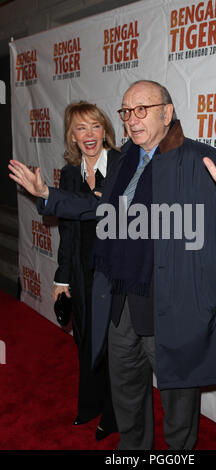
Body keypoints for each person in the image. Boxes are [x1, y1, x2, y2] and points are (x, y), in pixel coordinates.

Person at [9, 80, 216, 450]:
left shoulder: (199, 160)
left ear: (167, 112)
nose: (132, 119)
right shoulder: (124, 159)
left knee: (179, 408)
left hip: (172, 307)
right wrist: (48, 194)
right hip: (119, 302)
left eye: (141, 109)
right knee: (127, 397)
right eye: (127, 111)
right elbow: (99, 209)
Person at [51, 101, 119, 441]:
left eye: (94, 126)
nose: (89, 135)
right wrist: (62, 277)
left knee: (111, 347)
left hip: (116, 275)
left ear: (105, 131)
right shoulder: (67, 174)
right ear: (73, 137)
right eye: (81, 128)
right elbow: (67, 230)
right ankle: (90, 404)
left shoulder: (122, 165)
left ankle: (113, 414)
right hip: (81, 271)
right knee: (85, 340)